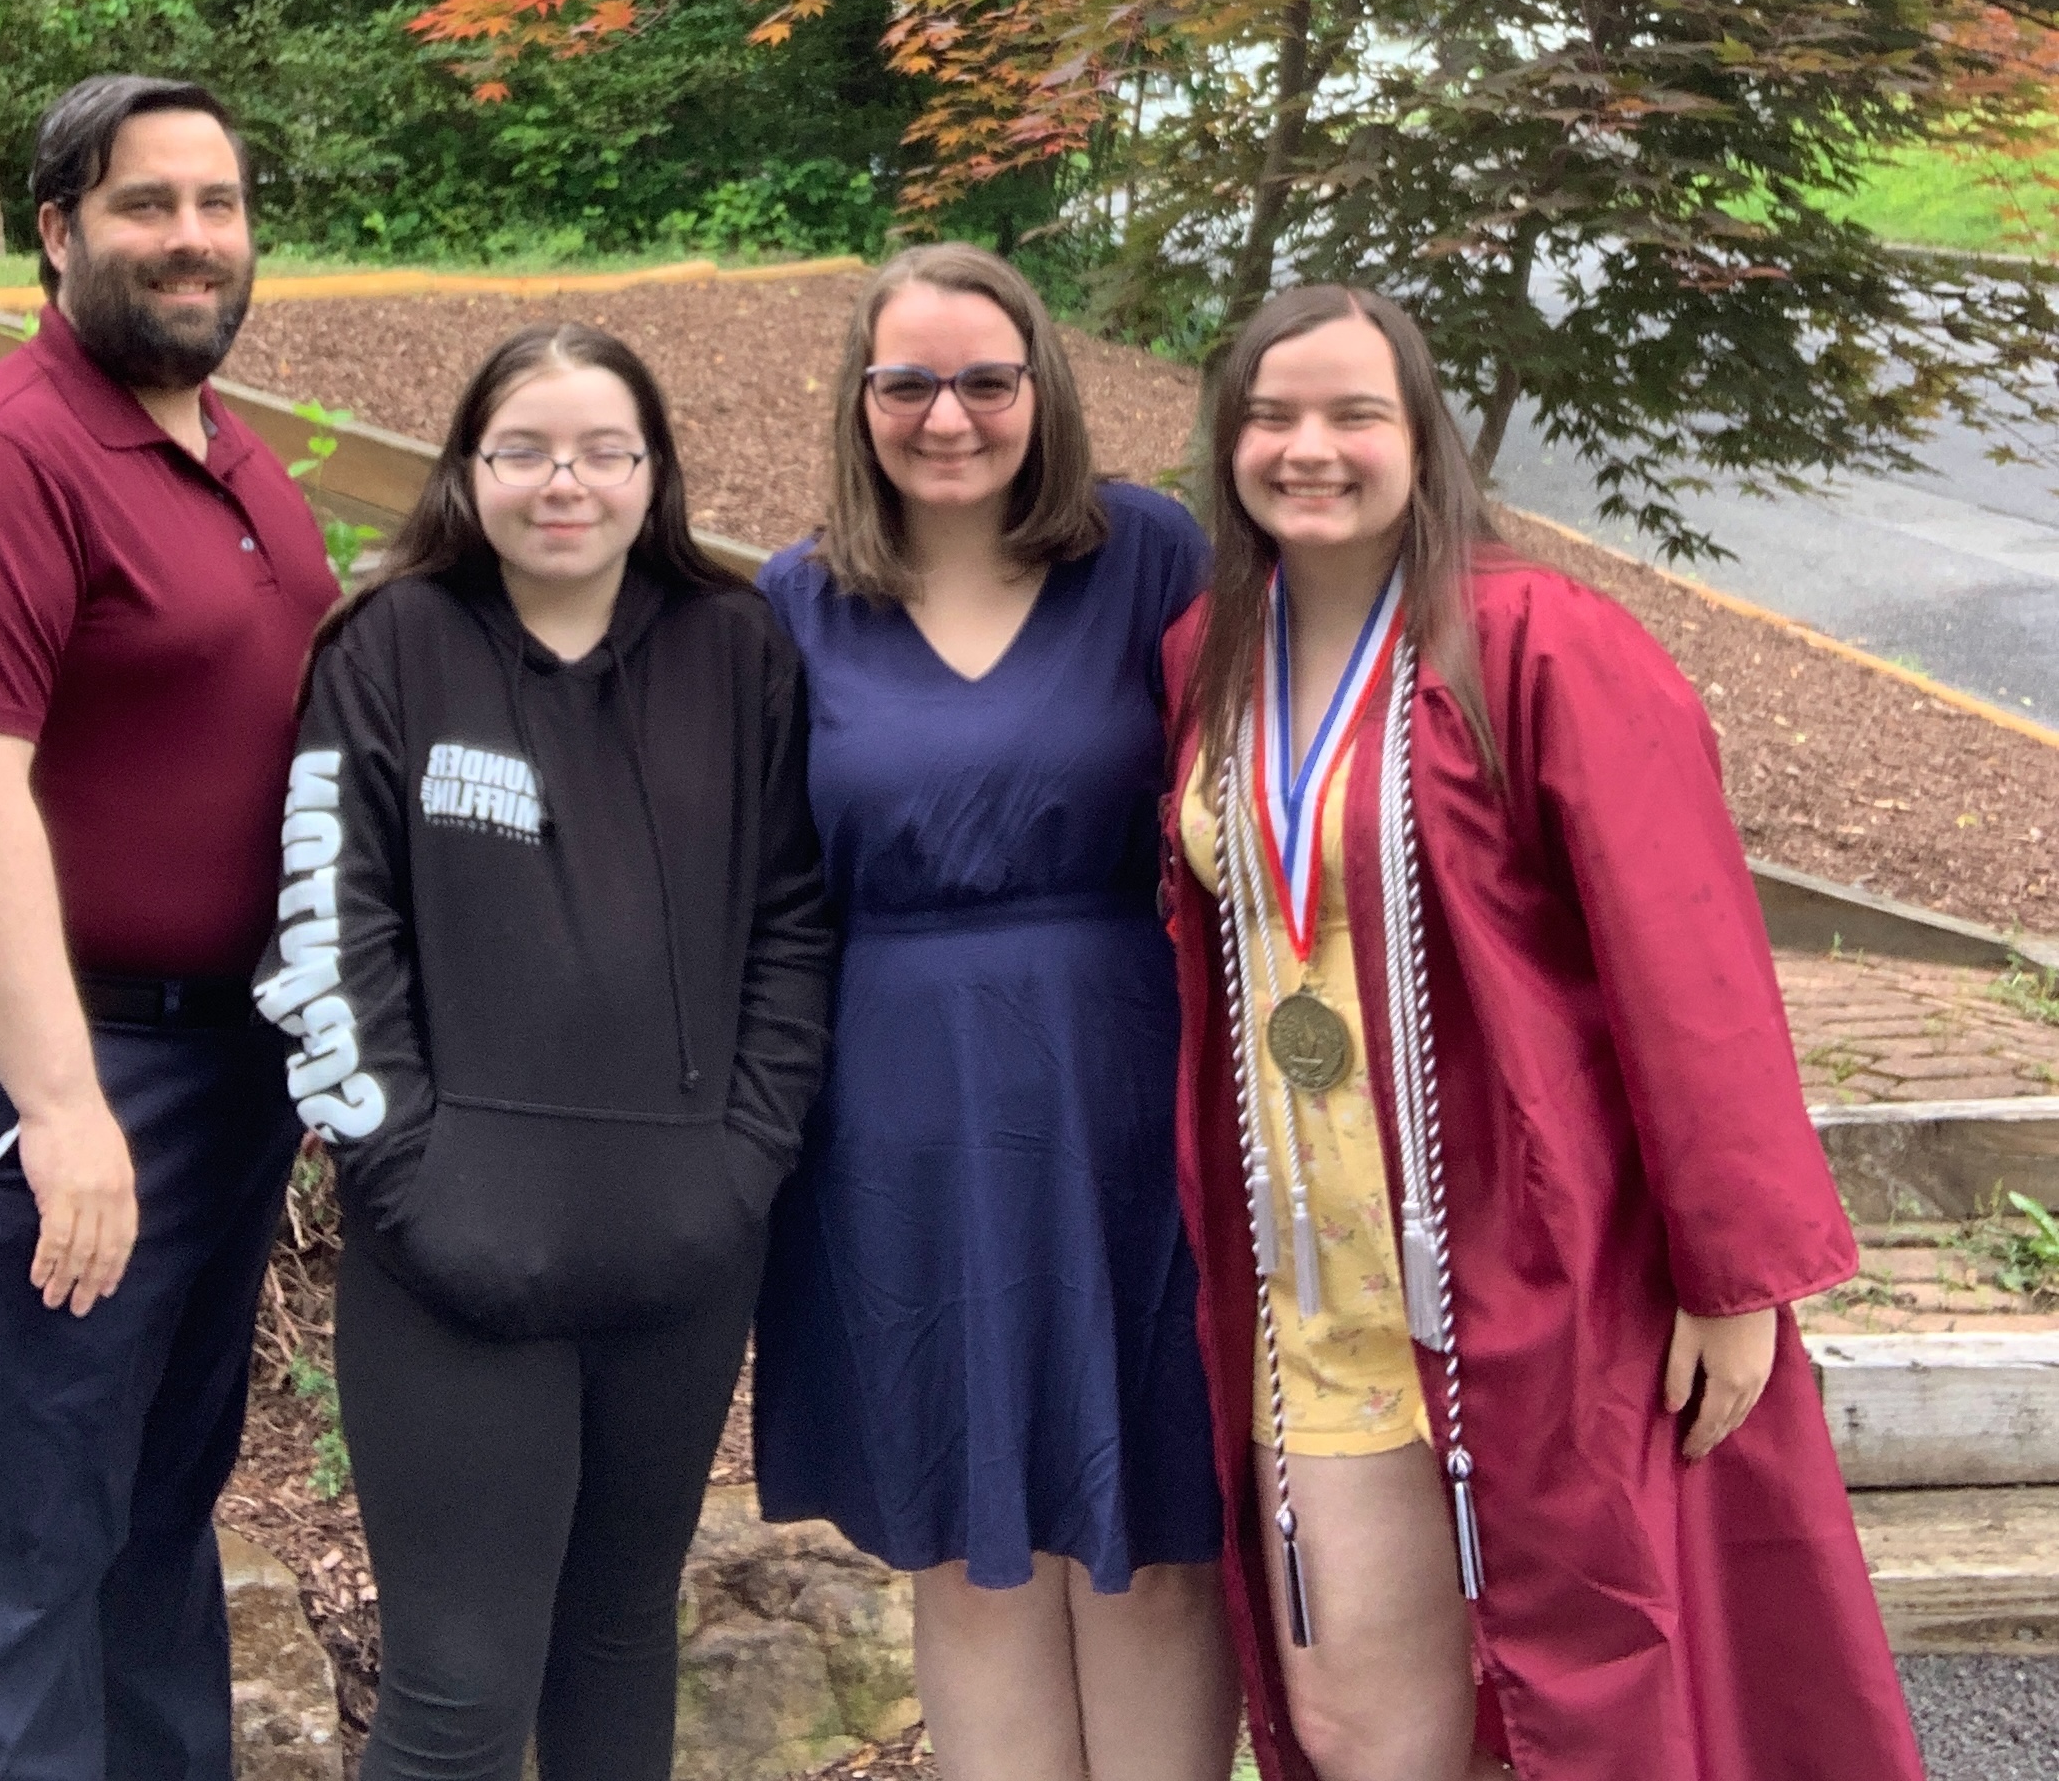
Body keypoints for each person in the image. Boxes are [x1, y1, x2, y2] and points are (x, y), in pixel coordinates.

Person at [1164, 281, 1926, 1781]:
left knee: (1591, 1685)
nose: (1308, 447)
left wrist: (1736, 1276)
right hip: (1316, 1283)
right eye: (1271, 416)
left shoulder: (1544, 643)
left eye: (1353, 414)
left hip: (1545, 1263)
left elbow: (1690, 962)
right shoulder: (1210, 653)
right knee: (1349, 1716)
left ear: (1422, 437)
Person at [256, 319, 829, 1781]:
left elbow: (793, 924)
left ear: (653, 473)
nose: (562, 482)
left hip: (683, 1255)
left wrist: (743, 1164)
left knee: (624, 1644)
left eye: (602, 452)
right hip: (451, 1260)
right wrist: (405, 1179)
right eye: (523, 450)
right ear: (470, 468)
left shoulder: (741, 647)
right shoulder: (388, 647)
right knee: (457, 1691)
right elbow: (327, 932)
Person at [0, 73, 338, 1780]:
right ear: (57, 235)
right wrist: (61, 1113)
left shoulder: (228, 456)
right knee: (36, 1525)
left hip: (224, 1066)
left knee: (157, 1513)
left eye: (219, 203)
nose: (193, 239)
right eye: (148, 205)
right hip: (52, 1066)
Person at [752, 242, 1242, 1781]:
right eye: (909, 382)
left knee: (1157, 1535)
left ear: (1043, 389)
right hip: (894, 1103)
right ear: (860, 399)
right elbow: (752, 881)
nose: (946, 415)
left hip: (1124, 1083)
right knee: (970, 1546)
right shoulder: (793, 603)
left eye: (984, 379)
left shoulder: (1151, 557)